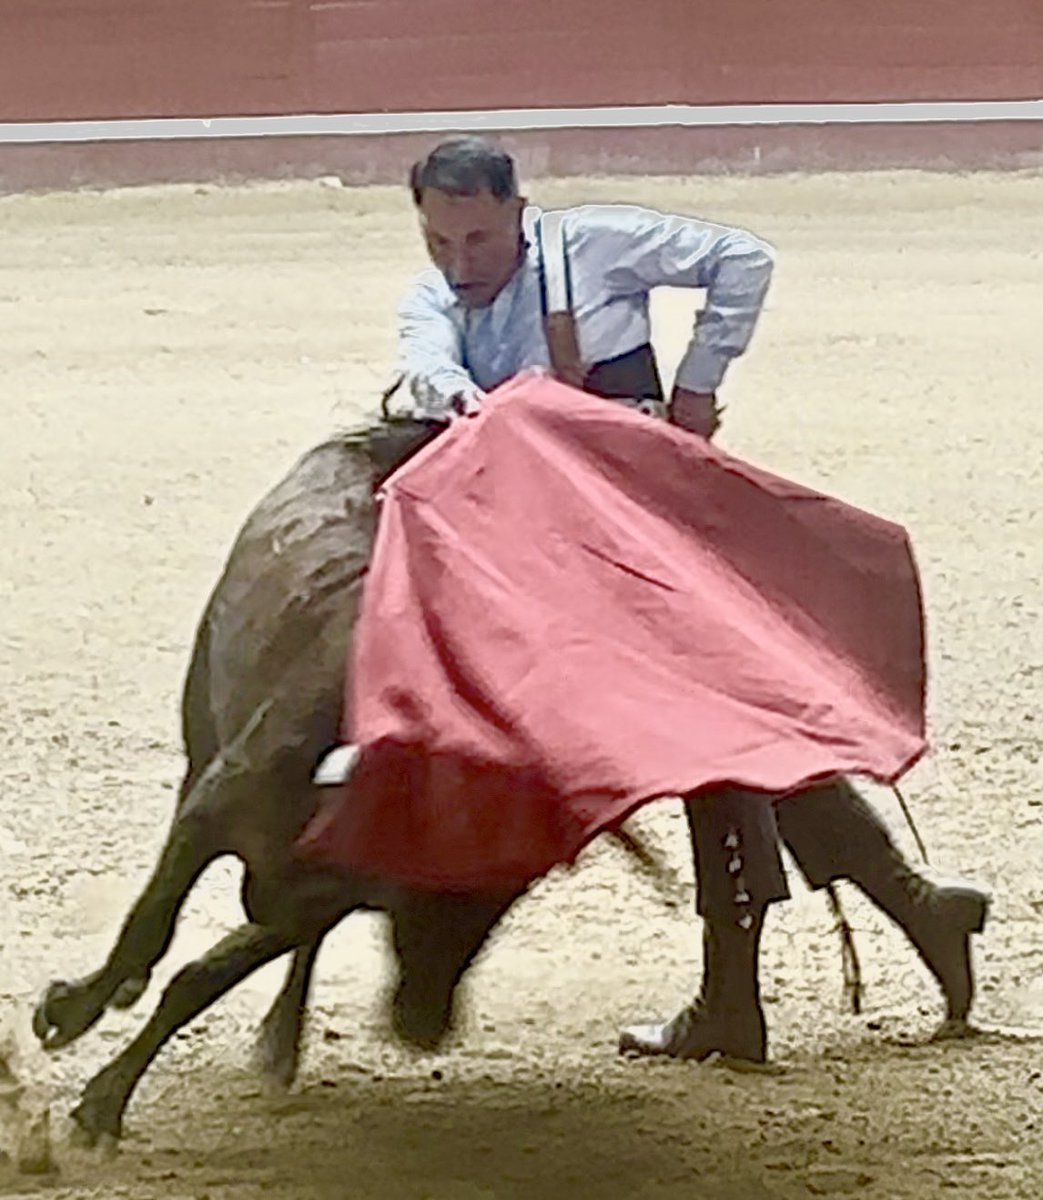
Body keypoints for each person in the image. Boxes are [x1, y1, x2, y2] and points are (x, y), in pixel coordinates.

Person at [390, 135, 990, 1065]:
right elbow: (427, 360)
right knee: (729, 730)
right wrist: (476, 406)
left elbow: (741, 259)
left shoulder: (594, 244)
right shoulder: (434, 301)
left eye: (476, 240)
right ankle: (907, 908)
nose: (459, 265)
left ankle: (740, 1000)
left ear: (517, 212)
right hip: (559, 547)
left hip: (645, 520)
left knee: (710, 742)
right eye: (439, 243)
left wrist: (698, 385)